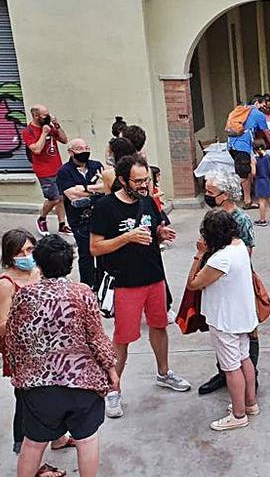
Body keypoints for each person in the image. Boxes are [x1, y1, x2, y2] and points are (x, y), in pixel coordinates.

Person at [6, 235, 116, 477]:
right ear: (70, 263)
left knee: (33, 443)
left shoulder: (25, 295)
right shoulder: (82, 293)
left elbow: (14, 338)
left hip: (39, 386)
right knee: (86, 440)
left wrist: (24, 370)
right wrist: (111, 370)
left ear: (39, 263)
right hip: (82, 382)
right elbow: (96, 337)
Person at [90, 155, 191, 419]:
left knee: (159, 327)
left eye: (147, 179)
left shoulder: (148, 201)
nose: (145, 185)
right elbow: (95, 247)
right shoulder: (105, 207)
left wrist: (160, 233)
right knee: (122, 338)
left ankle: (164, 372)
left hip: (154, 277)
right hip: (125, 282)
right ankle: (113, 388)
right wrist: (127, 237)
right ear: (123, 180)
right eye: (139, 181)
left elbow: (154, 227)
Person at [185, 210, 258, 431]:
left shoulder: (220, 259)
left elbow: (193, 283)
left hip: (225, 319)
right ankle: (250, 403)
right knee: (244, 359)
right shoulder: (240, 247)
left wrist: (199, 255)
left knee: (231, 366)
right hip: (243, 316)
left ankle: (238, 414)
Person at [1, 230, 68, 469]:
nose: (26, 256)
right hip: (24, 356)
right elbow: (1, 326)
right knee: (26, 404)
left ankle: (59, 438)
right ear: (9, 256)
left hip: (49, 350)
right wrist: (29, 317)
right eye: (19, 253)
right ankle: (26, 455)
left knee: (54, 394)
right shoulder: (6, 284)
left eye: (30, 250)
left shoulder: (39, 273)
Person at [197, 170, 259, 396]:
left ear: (225, 194)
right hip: (214, 279)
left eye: (211, 192)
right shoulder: (214, 215)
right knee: (225, 342)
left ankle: (248, 375)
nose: (207, 195)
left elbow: (246, 254)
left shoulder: (240, 220)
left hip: (233, 283)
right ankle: (225, 372)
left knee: (244, 334)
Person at [55, 139, 105, 288]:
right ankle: (87, 287)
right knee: (86, 253)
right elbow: (71, 195)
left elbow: (106, 187)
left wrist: (83, 189)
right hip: (79, 220)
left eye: (86, 147)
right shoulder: (64, 171)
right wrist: (95, 190)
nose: (84, 151)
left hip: (100, 216)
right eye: (79, 148)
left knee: (102, 252)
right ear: (70, 152)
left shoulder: (96, 166)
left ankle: (102, 285)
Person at [22, 104, 71, 236]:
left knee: (61, 197)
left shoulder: (49, 126)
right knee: (53, 198)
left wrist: (57, 126)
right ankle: (42, 218)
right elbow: (36, 150)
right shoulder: (28, 131)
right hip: (44, 171)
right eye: (45, 115)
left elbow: (64, 140)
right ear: (36, 116)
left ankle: (62, 224)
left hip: (58, 167)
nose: (47, 117)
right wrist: (44, 133)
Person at [227, 95, 270, 209]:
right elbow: (267, 133)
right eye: (263, 105)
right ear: (257, 103)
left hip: (232, 145)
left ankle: (247, 200)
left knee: (245, 173)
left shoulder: (241, 110)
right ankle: (232, 196)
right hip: (243, 146)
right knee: (244, 175)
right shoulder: (258, 114)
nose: (264, 107)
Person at [252, 139, 270, 226]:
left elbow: (254, 173)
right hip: (269, 179)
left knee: (261, 201)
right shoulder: (269, 157)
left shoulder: (255, 159)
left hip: (260, 181)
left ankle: (262, 220)